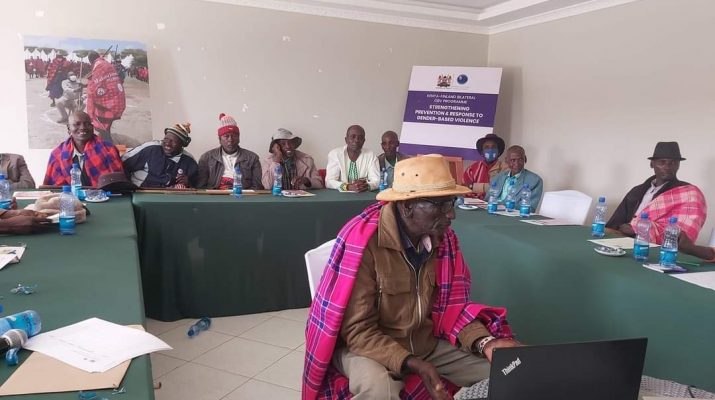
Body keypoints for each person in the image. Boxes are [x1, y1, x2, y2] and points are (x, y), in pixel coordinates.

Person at [303, 154, 519, 400]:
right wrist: (413, 363)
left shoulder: (444, 241)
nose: (451, 214)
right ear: (407, 206)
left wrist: (485, 342)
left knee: (508, 371)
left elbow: (454, 309)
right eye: (440, 205)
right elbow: (358, 331)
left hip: (425, 343)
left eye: (451, 202)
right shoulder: (363, 244)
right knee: (379, 391)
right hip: (368, 348)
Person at [606, 142, 707, 244]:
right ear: (652, 164)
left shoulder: (689, 194)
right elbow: (614, 223)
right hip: (622, 241)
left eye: (672, 163)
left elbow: (682, 235)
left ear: (678, 165)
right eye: (662, 162)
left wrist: (638, 229)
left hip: (656, 248)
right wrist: (622, 229)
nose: (667, 166)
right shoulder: (636, 191)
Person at [43, 111, 123, 187]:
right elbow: (53, 189)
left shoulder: (109, 149)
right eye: (77, 124)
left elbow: (118, 184)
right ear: (69, 128)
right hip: (70, 196)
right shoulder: (57, 154)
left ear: (92, 127)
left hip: (104, 196)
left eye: (87, 124)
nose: (83, 127)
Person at [197, 113, 263, 189]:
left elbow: (257, 186)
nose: (230, 140)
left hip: (242, 195)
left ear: (239, 138)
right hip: (215, 195)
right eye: (226, 136)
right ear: (220, 139)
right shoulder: (206, 158)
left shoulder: (252, 158)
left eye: (234, 136)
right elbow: (201, 187)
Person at [122, 123, 199, 188]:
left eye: (173, 141)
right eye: (166, 139)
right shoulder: (150, 149)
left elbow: (197, 186)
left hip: (168, 198)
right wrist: (128, 187)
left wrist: (188, 183)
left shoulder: (189, 161)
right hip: (139, 193)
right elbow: (122, 164)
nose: (167, 143)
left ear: (182, 144)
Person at [85, 51, 126, 143]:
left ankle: (107, 144)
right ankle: (106, 137)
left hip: (107, 104)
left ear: (91, 60)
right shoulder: (106, 64)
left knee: (102, 127)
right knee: (107, 125)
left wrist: (90, 113)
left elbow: (93, 88)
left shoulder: (98, 66)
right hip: (117, 99)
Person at [325, 125, 380, 192]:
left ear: (364, 141)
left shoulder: (371, 155)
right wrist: (348, 187)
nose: (356, 140)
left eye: (360, 138)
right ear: (346, 140)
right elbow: (329, 181)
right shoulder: (335, 154)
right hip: (340, 196)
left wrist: (366, 186)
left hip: (363, 194)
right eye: (353, 137)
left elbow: (376, 181)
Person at [490, 145, 543, 212]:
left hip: (513, 216)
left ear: (525, 159)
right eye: (513, 160)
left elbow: (530, 209)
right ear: (506, 160)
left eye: (520, 159)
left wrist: (500, 205)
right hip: (492, 212)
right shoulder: (498, 177)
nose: (517, 163)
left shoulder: (535, 181)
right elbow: (487, 200)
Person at [463, 133, 508, 198]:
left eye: (493, 147)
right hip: (473, 203)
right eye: (486, 147)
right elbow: (464, 188)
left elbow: (501, 188)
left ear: (498, 152)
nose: (490, 150)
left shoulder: (505, 168)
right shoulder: (472, 169)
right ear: (482, 152)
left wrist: (473, 187)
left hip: (495, 203)